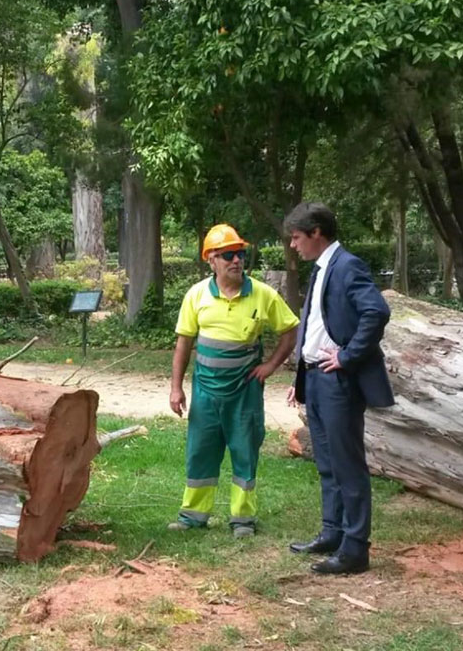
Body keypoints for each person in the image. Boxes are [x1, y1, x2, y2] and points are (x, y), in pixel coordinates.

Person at [284, 202, 395, 574]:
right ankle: (332, 533)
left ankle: (355, 548)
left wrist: (348, 356)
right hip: (315, 377)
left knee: (347, 465)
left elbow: (376, 311)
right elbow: (315, 323)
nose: (293, 246)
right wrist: (301, 372)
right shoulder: (322, 269)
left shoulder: (347, 265)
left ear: (317, 233)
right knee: (327, 462)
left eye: (297, 238)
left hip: (338, 381)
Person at [169, 223, 300, 537]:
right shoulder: (197, 295)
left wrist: (269, 366)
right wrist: (176, 387)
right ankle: (193, 517)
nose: (236, 260)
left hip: (244, 392)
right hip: (205, 391)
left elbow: (290, 332)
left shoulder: (263, 295)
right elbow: (184, 343)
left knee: (244, 451)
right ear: (211, 260)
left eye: (240, 253)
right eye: (228, 255)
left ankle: (243, 519)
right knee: (200, 451)